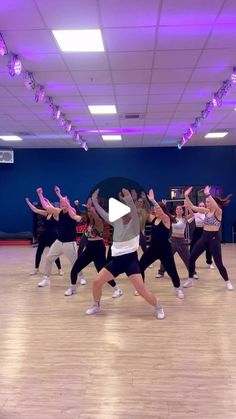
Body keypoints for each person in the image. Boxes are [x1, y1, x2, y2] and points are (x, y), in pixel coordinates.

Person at [85, 188, 165, 320]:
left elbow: (133, 210)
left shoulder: (134, 224)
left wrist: (128, 197)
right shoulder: (116, 222)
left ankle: (158, 308)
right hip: (116, 261)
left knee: (141, 290)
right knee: (96, 283)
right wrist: (94, 200)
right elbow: (102, 212)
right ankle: (96, 305)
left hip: (130, 261)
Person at [64, 197, 122, 298]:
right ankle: (72, 288)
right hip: (89, 247)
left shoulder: (100, 221)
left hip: (98, 248)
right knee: (75, 269)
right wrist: (67, 204)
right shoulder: (87, 220)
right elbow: (73, 215)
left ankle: (117, 289)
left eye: (91, 208)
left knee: (102, 273)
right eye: (89, 209)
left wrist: (92, 206)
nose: (89, 211)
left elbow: (96, 216)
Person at [183, 186, 233, 290]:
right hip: (204, 237)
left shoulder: (218, 212)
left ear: (213, 202)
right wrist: (186, 196)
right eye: (206, 201)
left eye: (208, 201)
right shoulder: (205, 211)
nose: (207, 203)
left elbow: (215, 205)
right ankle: (190, 279)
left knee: (218, 263)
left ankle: (227, 281)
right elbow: (192, 207)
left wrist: (208, 194)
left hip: (214, 239)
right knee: (192, 257)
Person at [36, 186, 85, 288]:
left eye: (64, 203)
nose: (62, 204)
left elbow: (70, 209)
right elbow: (46, 207)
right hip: (59, 242)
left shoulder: (72, 212)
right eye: (61, 203)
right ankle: (46, 279)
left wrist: (59, 194)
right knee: (49, 258)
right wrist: (40, 194)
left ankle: (81, 277)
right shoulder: (58, 211)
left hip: (69, 243)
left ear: (68, 203)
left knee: (75, 262)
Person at [139, 190, 184, 299]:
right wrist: (144, 200)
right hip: (153, 249)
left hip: (165, 250)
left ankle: (178, 288)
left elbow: (161, 212)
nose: (155, 210)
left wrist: (153, 200)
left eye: (157, 208)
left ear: (162, 210)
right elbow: (145, 211)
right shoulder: (154, 218)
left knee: (171, 270)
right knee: (140, 266)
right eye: (154, 208)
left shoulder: (166, 219)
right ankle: (140, 287)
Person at [156, 203, 197, 279]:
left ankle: (193, 272)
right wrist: (164, 206)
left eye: (180, 209)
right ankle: (161, 272)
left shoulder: (185, 219)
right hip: (173, 241)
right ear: (175, 210)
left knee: (188, 258)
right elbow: (164, 213)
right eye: (177, 209)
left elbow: (192, 214)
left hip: (182, 241)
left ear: (182, 211)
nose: (178, 210)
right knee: (166, 256)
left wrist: (188, 206)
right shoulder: (172, 218)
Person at [25, 197, 63, 276]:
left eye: (48, 206)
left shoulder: (55, 215)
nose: (46, 207)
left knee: (54, 254)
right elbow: (35, 210)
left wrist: (48, 201)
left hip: (52, 237)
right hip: (44, 236)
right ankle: (36, 269)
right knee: (39, 253)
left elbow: (51, 207)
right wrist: (28, 202)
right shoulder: (46, 213)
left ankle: (60, 269)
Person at [189, 201, 214, 269]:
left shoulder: (208, 214)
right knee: (192, 247)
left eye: (203, 206)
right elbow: (188, 220)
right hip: (197, 231)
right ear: (198, 207)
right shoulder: (195, 214)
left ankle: (209, 263)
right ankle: (191, 261)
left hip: (206, 231)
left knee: (209, 248)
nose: (201, 207)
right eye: (200, 206)